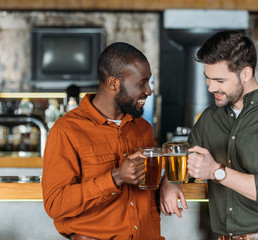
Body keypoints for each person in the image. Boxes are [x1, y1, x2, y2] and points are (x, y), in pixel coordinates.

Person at [160, 30, 258, 240]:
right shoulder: (209, 118)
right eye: (208, 79)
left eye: (220, 80)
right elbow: (186, 164)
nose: (211, 87)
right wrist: (170, 182)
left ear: (245, 74)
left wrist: (216, 171)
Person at [42, 42, 165, 240]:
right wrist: (116, 177)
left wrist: (170, 183)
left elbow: (148, 198)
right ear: (113, 83)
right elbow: (55, 204)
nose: (149, 91)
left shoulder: (143, 129)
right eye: (141, 83)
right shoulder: (66, 130)